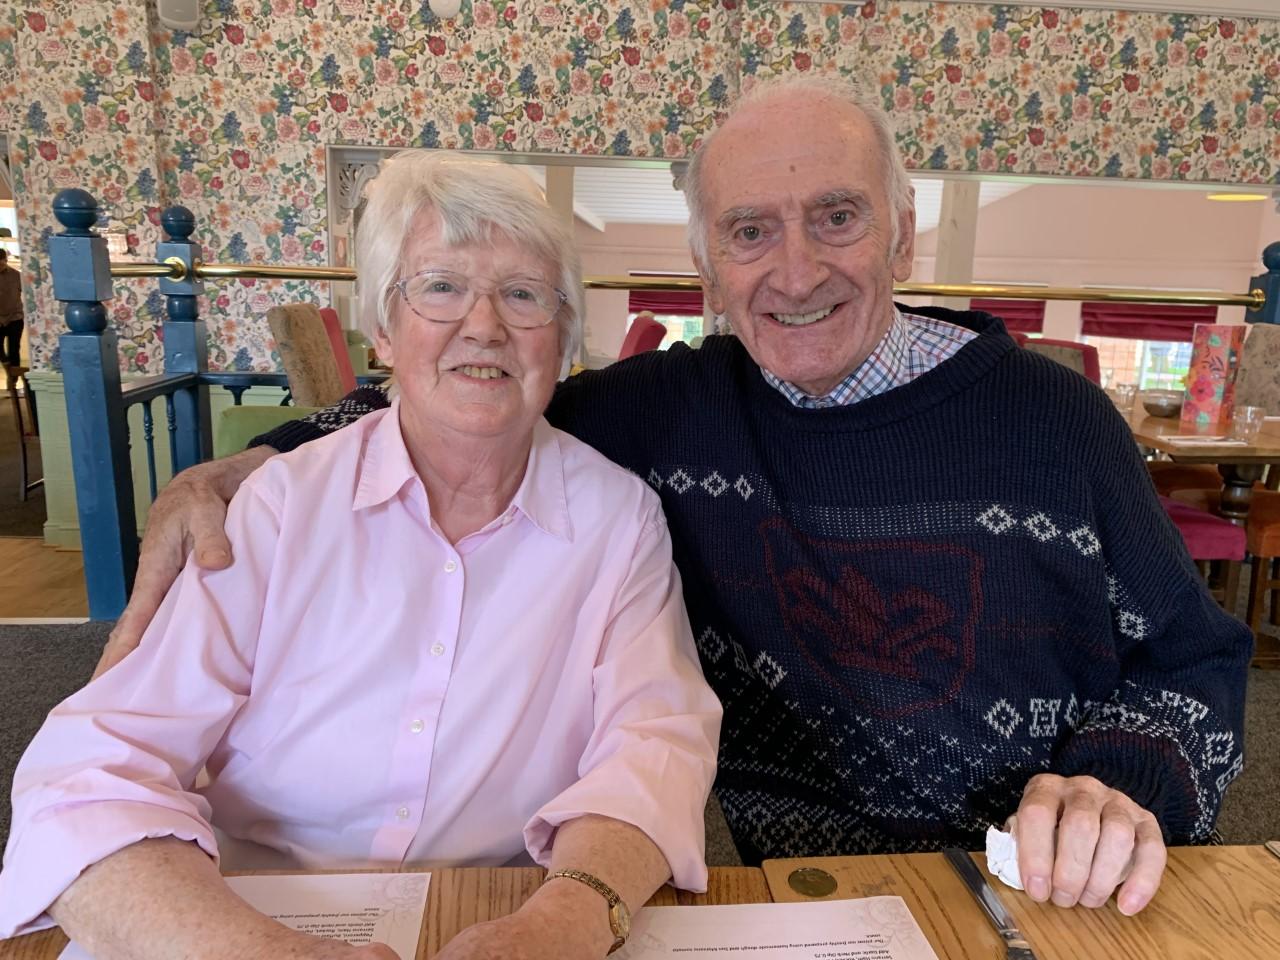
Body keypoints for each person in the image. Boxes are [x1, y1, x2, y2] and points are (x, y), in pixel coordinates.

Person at [95, 77, 1252, 919]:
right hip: (788, 898)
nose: (793, 272)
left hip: (1032, 880)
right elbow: (474, 389)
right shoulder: (661, 410)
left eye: (835, 218)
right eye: (750, 232)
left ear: (899, 230)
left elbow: (1195, 657)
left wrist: (1119, 784)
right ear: (706, 263)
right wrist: (255, 459)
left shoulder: (1054, 423)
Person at [0, 154, 722, 960]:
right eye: (441, 287)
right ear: (385, 327)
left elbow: (655, 747)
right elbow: (86, 776)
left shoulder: (618, 521)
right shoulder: (281, 507)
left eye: (523, 295)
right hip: (250, 917)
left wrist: (565, 920)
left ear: (562, 339)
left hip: (500, 912)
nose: (483, 326)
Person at [0, 247, 24, 368]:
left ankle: (13, 381)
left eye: (1, 263)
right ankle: (6, 365)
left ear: (6, 260)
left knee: (14, 350)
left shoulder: (16, 275)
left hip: (15, 318)